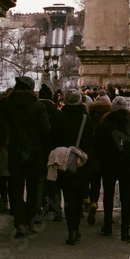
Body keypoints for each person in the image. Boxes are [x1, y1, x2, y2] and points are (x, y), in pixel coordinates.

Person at [0, 75, 50, 238]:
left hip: (14, 151)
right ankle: (30, 220)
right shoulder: (38, 106)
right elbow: (46, 131)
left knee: (15, 188)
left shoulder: (7, 104)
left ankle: (19, 223)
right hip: (34, 152)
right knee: (32, 188)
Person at [94, 96, 130, 241]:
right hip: (127, 164)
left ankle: (108, 224)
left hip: (109, 164)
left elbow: (97, 144)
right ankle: (125, 230)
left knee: (108, 194)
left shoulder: (105, 122)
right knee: (125, 197)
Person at [53, 88, 94, 245]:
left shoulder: (58, 117)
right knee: (79, 196)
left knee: (68, 197)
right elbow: (91, 140)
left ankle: (71, 230)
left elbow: (53, 139)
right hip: (82, 162)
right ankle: (76, 227)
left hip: (64, 161)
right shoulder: (86, 119)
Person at [84, 93, 112, 225]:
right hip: (107, 157)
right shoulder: (109, 120)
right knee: (108, 186)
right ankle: (108, 215)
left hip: (93, 156)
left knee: (94, 183)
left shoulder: (88, 119)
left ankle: (93, 202)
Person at [37, 83, 63, 221]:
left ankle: (40, 206)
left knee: (39, 181)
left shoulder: (34, 110)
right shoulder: (57, 113)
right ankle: (56, 208)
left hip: (37, 150)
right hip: (54, 151)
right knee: (54, 181)